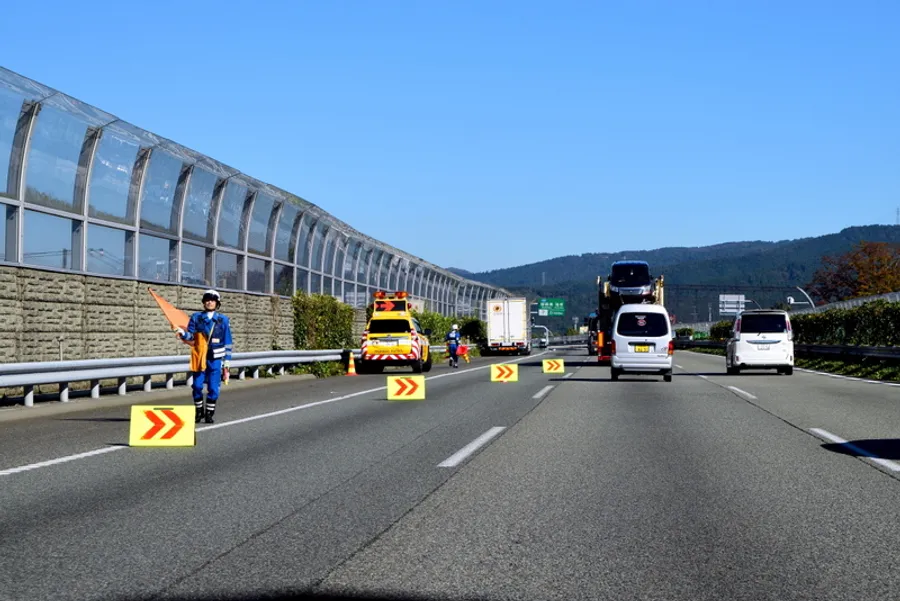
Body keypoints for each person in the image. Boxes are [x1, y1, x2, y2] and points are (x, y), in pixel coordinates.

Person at [176, 290, 233, 423]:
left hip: (216, 359)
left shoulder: (223, 320)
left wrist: (227, 362)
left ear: (217, 303)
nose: (209, 302)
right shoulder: (196, 317)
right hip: (199, 357)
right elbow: (191, 337)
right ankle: (198, 411)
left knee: (213, 387)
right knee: (196, 385)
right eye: (207, 299)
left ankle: (209, 413)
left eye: (212, 300)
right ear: (203, 302)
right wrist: (183, 334)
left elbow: (228, 341)